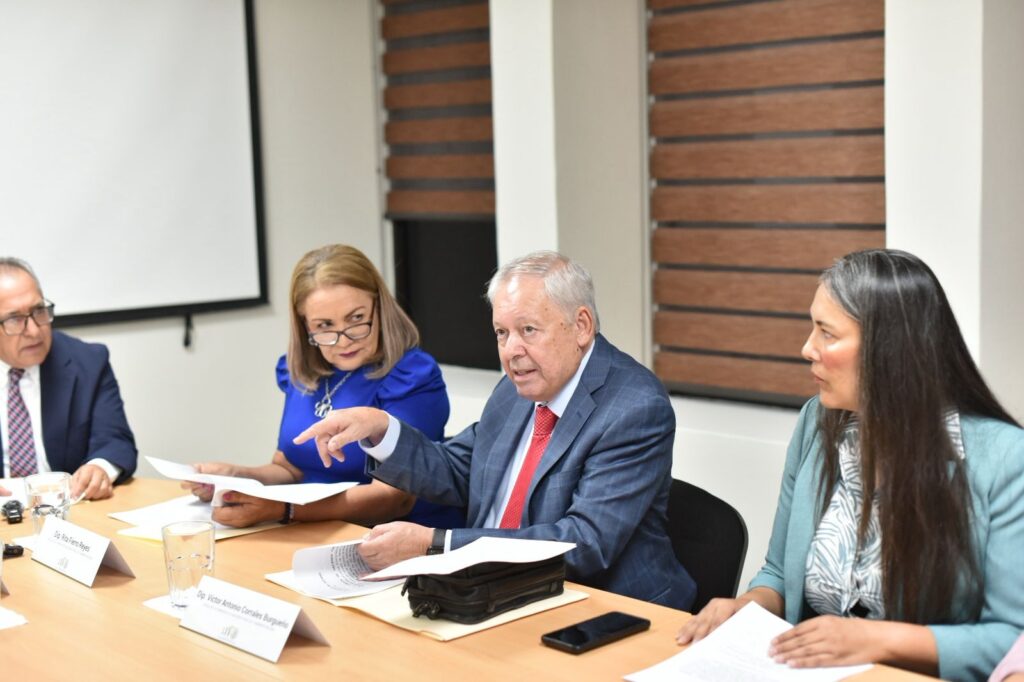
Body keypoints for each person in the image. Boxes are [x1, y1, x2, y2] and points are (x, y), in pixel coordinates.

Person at [676, 249, 1024, 681]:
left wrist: (877, 639)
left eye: (827, 333)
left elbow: (1011, 637)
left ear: (890, 349)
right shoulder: (816, 422)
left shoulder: (1005, 458)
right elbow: (780, 573)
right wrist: (746, 607)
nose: (807, 348)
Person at [294, 251, 696, 609]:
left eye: (528, 330)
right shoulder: (516, 388)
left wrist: (436, 545)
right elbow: (458, 470)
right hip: (488, 594)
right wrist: (380, 429)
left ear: (581, 325)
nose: (510, 351)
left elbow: (583, 543)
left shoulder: (634, 406)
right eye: (502, 333)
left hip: (598, 607)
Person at [185, 244, 462, 530]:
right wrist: (234, 476)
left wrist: (286, 510)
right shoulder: (301, 373)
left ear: (380, 308)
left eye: (356, 319)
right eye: (325, 326)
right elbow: (289, 468)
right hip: (311, 529)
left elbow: (393, 499)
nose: (344, 340)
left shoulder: (411, 375)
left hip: (396, 536)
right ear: (305, 326)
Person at [0, 257, 136, 500]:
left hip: (67, 509)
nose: (34, 330)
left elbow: (116, 441)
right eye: (14, 319)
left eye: (39, 311)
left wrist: (100, 468)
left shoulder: (89, 361)